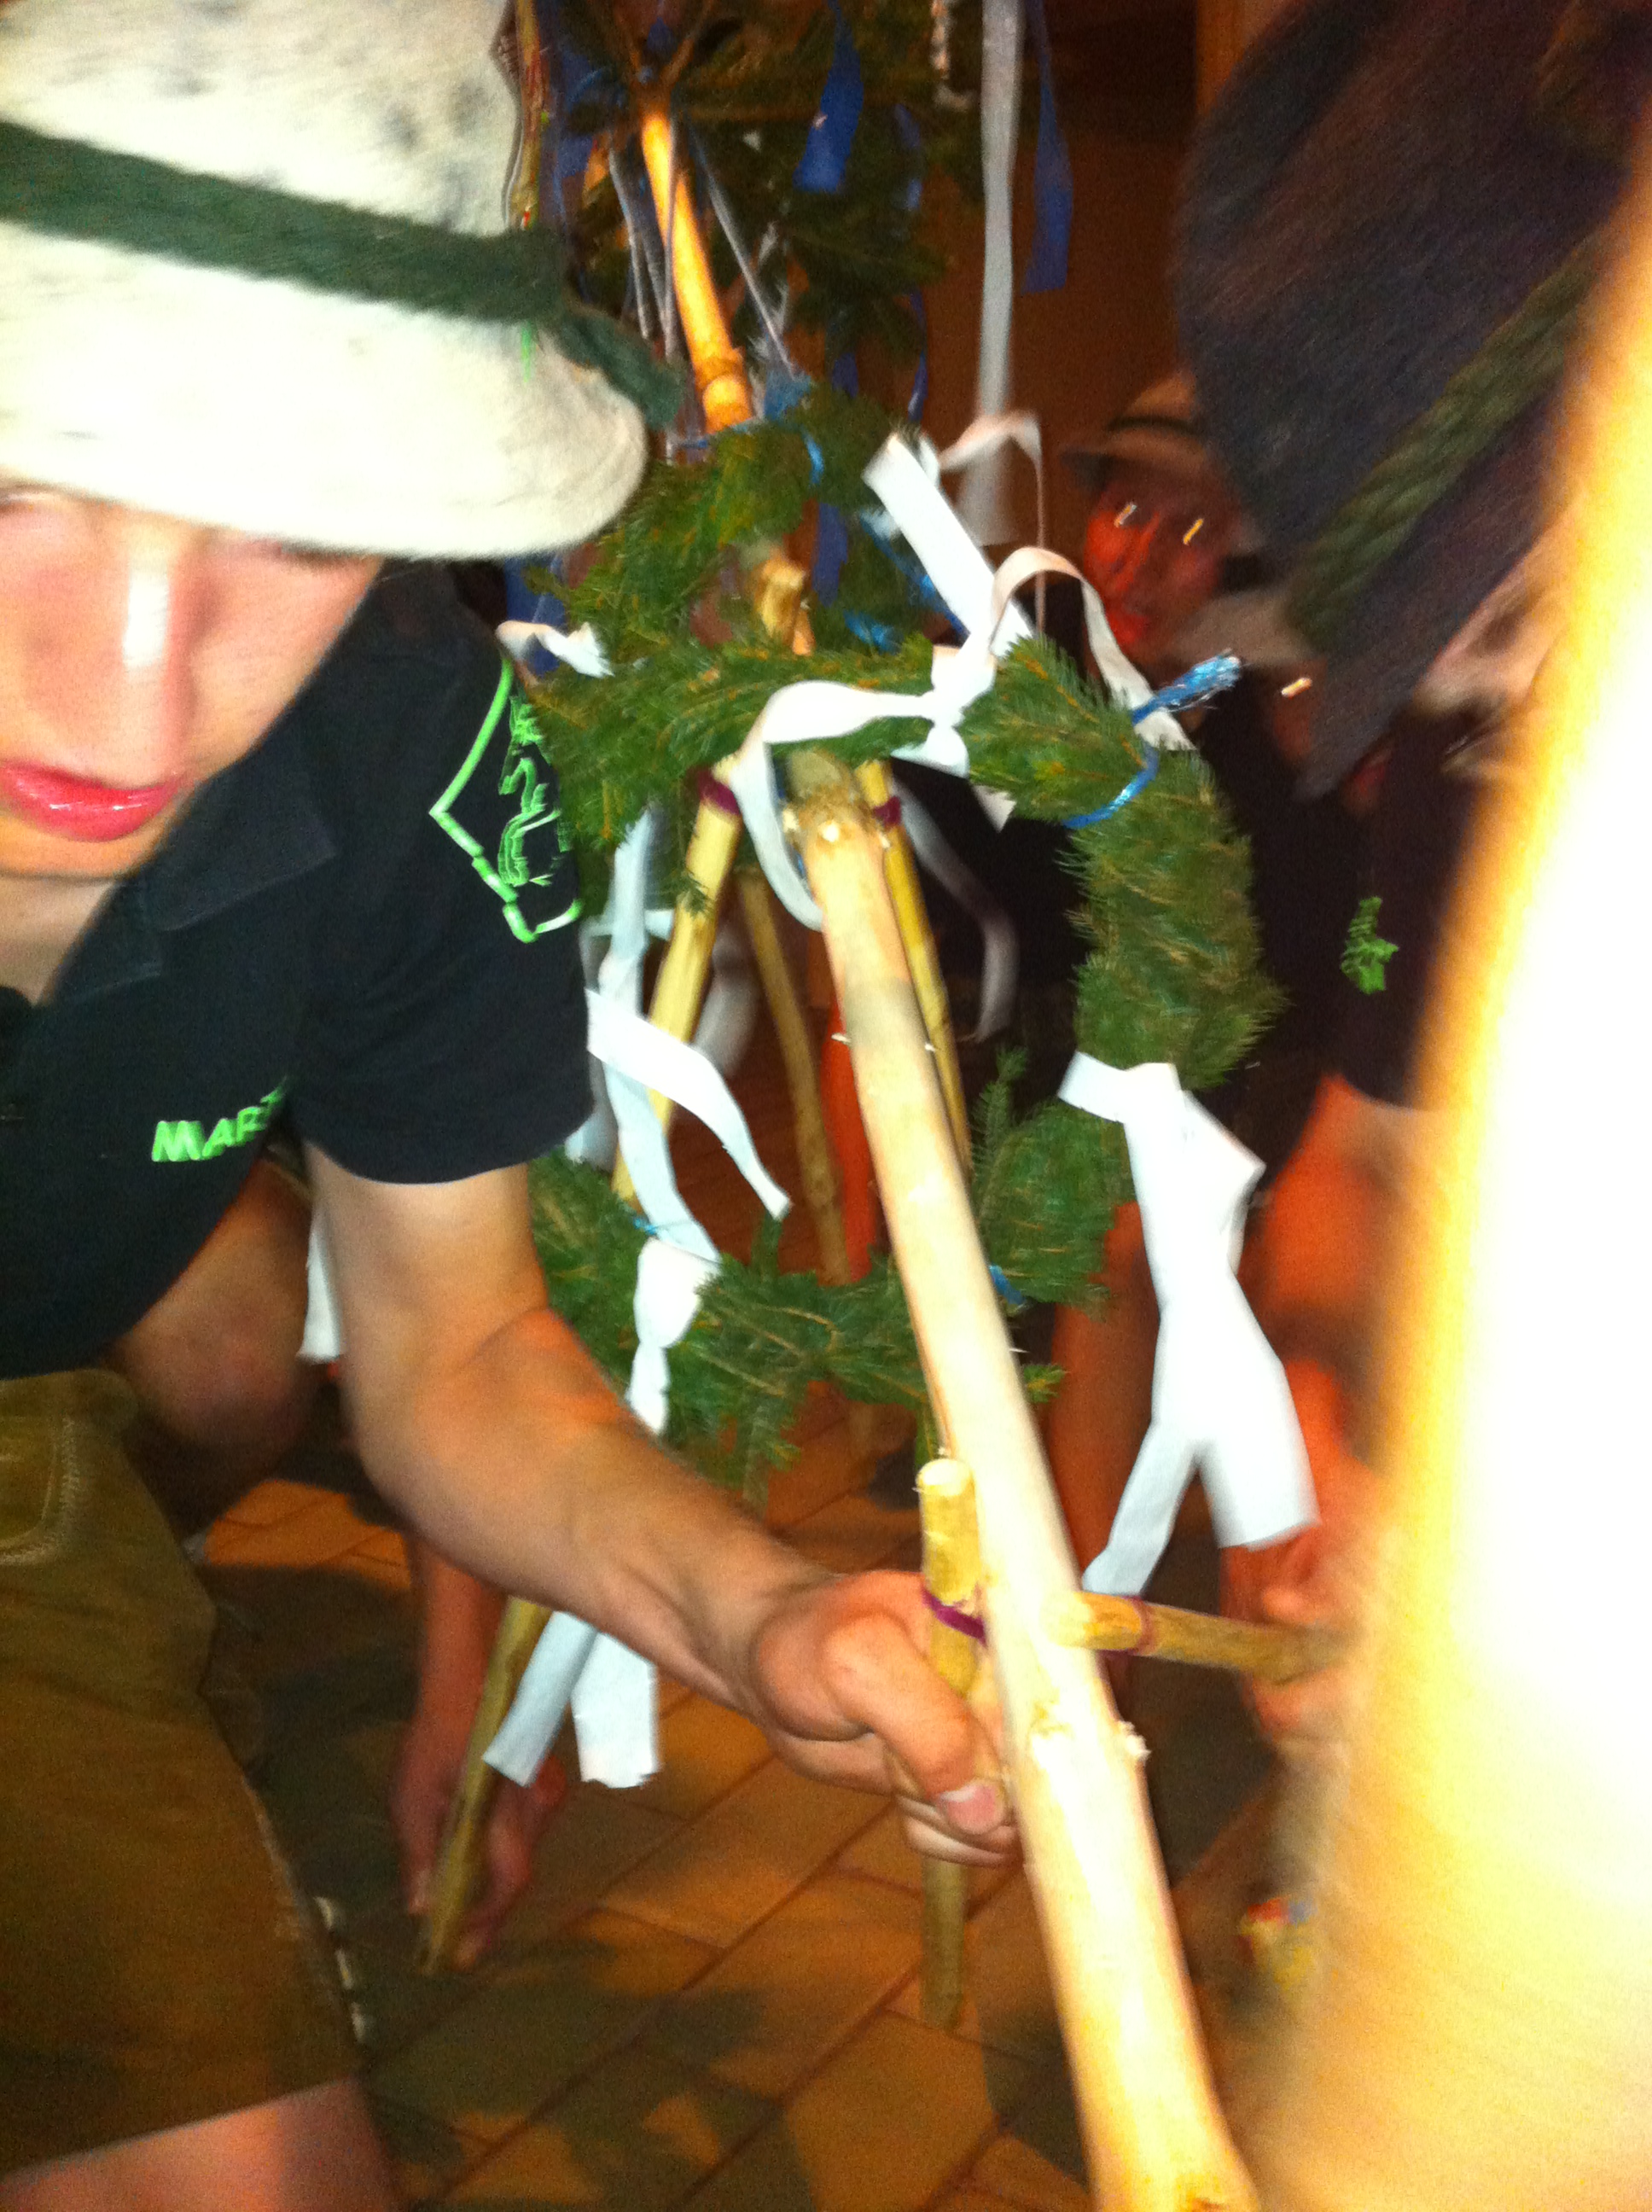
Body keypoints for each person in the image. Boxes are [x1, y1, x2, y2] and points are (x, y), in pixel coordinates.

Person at [0, 3, 1012, 2203]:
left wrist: (752, 1612)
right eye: (16, 491)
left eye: (300, 530)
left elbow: (454, 1350)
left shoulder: (415, 750)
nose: (131, 704)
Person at [1174, 0, 1649, 1757]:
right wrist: (1329, 1441)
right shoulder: (1501, 755)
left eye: (1522, 603)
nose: (1503, 705)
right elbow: (1360, 1158)